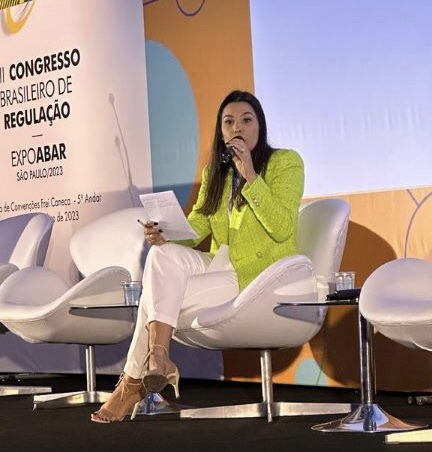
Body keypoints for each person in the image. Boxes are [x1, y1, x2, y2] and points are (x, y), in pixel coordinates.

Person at [90, 89, 305, 423]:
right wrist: (166, 233)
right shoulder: (215, 172)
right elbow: (198, 227)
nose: (237, 128)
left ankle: (133, 381)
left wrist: (250, 174)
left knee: (152, 297)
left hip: (259, 274)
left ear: (260, 126)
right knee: (162, 255)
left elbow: (281, 227)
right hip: (221, 263)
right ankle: (157, 360)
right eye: (228, 122)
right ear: (220, 130)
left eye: (246, 120)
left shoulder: (285, 162)